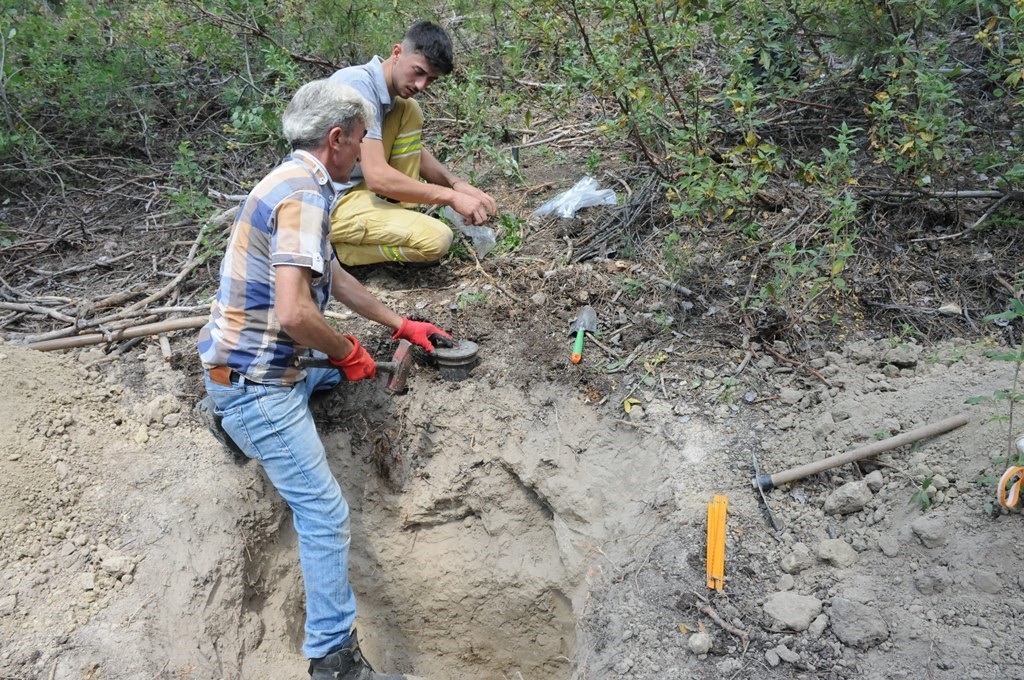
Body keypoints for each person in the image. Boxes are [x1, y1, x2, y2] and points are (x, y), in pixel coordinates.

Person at [195, 78, 450, 680]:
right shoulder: (304, 196)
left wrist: (400, 322)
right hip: (256, 381)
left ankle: (234, 419)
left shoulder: (298, 182)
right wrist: (346, 351)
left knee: (327, 384)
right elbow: (295, 313)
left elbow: (329, 276)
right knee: (325, 513)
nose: (366, 149)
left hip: (255, 365)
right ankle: (333, 661)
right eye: (362, 139)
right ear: (336, 139)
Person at [327, 20, 497, 266]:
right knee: (435, 240)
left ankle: (402, 213)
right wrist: (449, 197)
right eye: (418, 72)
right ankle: (338, 253)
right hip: (328, 203)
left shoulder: (390, 97)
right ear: (397, 53)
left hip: (355, 189)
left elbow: (413, 151)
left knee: (410, 109)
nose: (421, 85)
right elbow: (377, 177)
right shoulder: (356, 86)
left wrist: (456, 184)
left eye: (430, 80)